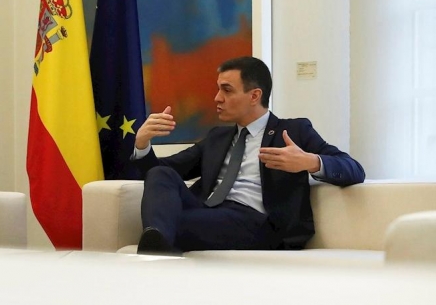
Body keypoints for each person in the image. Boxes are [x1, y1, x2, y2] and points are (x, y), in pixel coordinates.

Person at [133, 56, 364, 254]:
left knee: (171, 225)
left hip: (257, 222)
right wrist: (142, 144)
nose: (217, 98)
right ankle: (158, 245)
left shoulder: (294, 131)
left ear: (254, 96)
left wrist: (310, 162)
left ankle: (157, 244)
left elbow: (354, 169)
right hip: (210, 213)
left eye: (227, 90)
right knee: (161, 175)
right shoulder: (217, 137)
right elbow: (160, 173)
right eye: (218, 89)